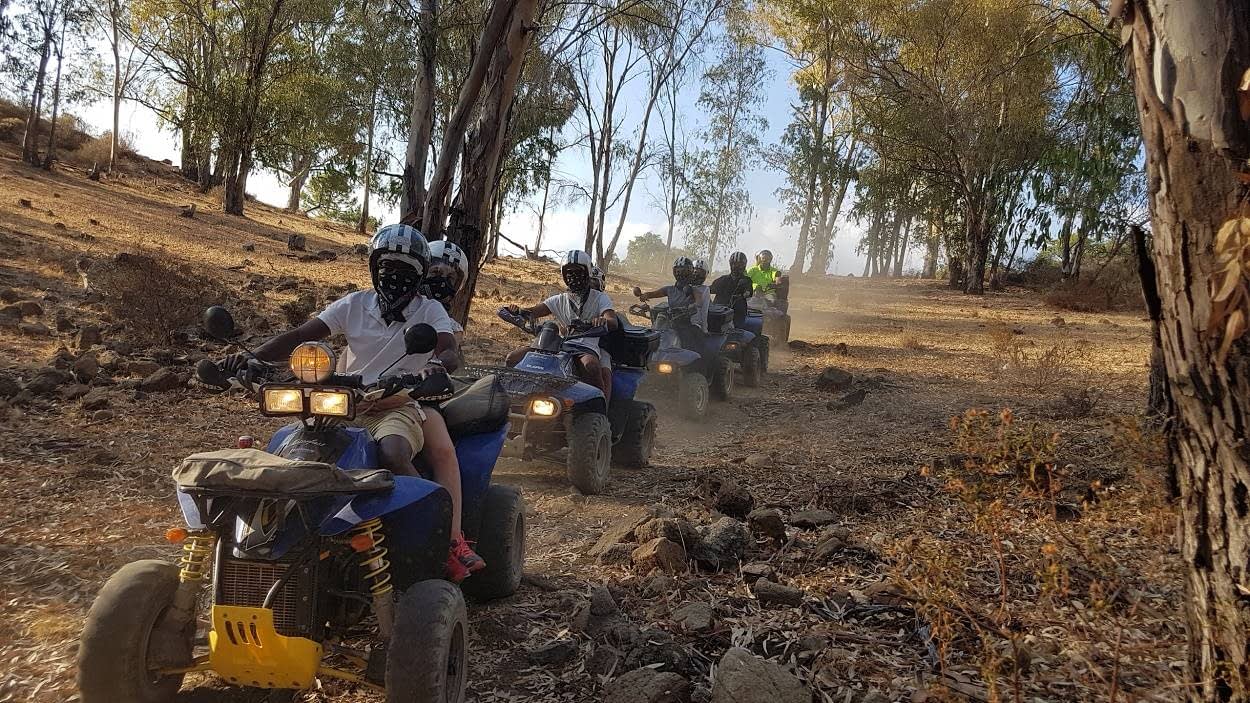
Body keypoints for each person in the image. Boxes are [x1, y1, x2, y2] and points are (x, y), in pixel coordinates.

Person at [225, 224, 485, 582]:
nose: (394, 277)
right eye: (387, 268)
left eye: (406, 271)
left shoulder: (430, 311)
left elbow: (448, 349)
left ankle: (430, 531)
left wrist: (436, 367)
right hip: (341, 402)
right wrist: (254, 357)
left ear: (419, 275)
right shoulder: (355, 303)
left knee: (393, 451)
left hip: (396, 403)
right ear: (374, 268)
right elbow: (303, 335)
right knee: (290, 449)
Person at [504, 251, 620, 402]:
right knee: (512, 358)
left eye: (578, 272)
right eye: (569, 272)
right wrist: (517, 311)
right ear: (563, 275)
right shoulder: (559, 300)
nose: (573, 276)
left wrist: (602, 321)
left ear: (587, 272)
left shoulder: (600, 298)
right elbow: (533, 311)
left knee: (591, 366)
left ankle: (597, 410)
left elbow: (612, 320)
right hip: (557, 345)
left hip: (585, 347)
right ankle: (509, 398)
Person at [633, 256, 708, 349]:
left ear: (689, 272)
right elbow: (654, 293)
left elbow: (699, 301)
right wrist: (644, 295)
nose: (680, 273)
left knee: (692, 347)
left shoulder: (694, 290)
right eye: (678, 270)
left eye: (683, 271)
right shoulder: (670, 289)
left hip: (686, 324)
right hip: (669, 322)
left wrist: (692, 306)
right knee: (652, 338)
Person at [425, 239, 469, 349]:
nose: (442, 282)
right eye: (435, 272)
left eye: (450, 278)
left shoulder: (452, 328)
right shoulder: (400, 311)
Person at [710, 251, 754, 326]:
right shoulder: (722, 279)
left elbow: (748, 292)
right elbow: (709, 290)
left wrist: (743, 295)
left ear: (743, 265)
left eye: (739, 264)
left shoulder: (746, 280)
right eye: (733, 264)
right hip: (718, 313)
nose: (735, 266)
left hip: (737, 314)